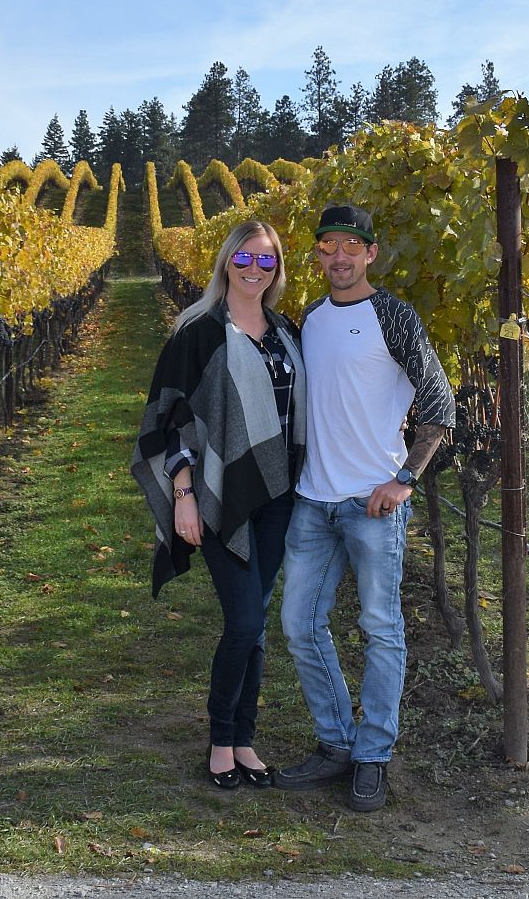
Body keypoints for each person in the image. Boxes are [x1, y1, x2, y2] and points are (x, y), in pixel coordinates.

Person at [273, 205, 455, 812]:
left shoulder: (394, 316)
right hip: (313, 501)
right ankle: (336, 744)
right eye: (329, 246)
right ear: (318, 255)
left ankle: (373, 756)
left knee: (381, 629)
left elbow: (439, 401)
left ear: (371, 254)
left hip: (372, 504)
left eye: (352, 245)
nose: (340, 256)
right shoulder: (313, 319)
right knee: (300, 625)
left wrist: (404, 480)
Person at [132, 220, 307, 790]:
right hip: (217, 495)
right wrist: (183, 495)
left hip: (277, 496)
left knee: (254, 626)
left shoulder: (284, 332)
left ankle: (244, 740)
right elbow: (168, 417)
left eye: (267, 262)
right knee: (245, 620)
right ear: (226, 261)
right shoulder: (198, 331)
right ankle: (219, 740)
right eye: (245, 259)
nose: (255, 270)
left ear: (276, 270)